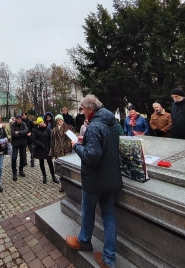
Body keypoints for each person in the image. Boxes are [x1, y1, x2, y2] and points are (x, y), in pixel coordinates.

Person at [66, 94, 123, 268]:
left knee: (88, 210)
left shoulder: (93, 127)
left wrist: (77, 146)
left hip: (95, 180)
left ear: (90, 110)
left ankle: (84, 241)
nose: (82, 113)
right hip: (111, 178)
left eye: (83, 110)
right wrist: (87, 141)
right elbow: (106, 146)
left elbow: (92, 157)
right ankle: (109, 259)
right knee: (109, 216)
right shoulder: (112, 124)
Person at [49, 114, 74, 192]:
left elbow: (74, 139)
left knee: (68, 169)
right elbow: (52, 142)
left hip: (67, 151)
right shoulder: (54, 130)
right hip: (58, 152)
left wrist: (71, 147)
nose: (58, 121)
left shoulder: (68, 128)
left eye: (60, 119)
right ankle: (62, 185)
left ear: (62, 120)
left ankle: (71, 185)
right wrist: (51, 152)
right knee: (60, 170)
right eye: (57, 120)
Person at [32, 117, 59, 184]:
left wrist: (50, 147)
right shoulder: (36, 130)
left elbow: (51, 138)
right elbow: (34, 140)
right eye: (40, 122)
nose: (42, 123)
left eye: (42, 122)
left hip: (47, 148)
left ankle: (53, 176)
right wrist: (41, 145)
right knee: (41, 163)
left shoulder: (47, 129)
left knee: (50, 163)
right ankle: (44, 176)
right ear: (38, 124)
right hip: (40, 148)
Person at [11, 114, 28, 181]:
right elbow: (13, 133)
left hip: (22, 143)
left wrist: (19, 132)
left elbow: (26, 131)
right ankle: (14, 172)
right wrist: (21, 134)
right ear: (16, 119)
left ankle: (21, 170)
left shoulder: (23, 124)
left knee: (22, 157)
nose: (19, 120)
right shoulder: (13, 125)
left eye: (20, 119)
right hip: (15, 144)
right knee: (14, 157)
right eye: (18, 119)